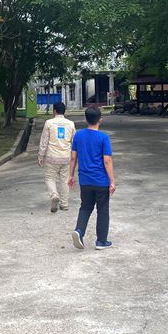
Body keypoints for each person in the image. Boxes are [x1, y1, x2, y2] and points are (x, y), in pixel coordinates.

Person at [68, 106, 115, 250]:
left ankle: (79, 230)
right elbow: (107, 160)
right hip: (101, 181)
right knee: (102, 209)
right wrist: (112, 181)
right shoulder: (103, 137)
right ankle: (101, 241)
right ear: (100, 119)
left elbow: (73, 158)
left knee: (85, 207)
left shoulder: (79, 135)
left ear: (85, 119)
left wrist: (71, 175)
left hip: (85, 180)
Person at [38, 101, 76, 213]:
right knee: (64, 180)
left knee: (50, 178)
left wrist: (41, 155)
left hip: (51, 157)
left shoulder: (49, 123)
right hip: (66, 157)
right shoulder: (71, 124)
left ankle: (54, 195)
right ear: (64, 111)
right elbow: (74, 142)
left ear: (54, 111)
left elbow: (44, 141)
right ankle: (64, 204)